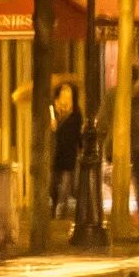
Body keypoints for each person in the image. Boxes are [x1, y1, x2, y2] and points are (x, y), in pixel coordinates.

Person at [49, 83, 82, 221]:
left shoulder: (75, 115)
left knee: (65, 188)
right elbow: (52, 134)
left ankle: (59, 215)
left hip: (69, 156)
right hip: (56, 156)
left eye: (68, 94)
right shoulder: (55, 113)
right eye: (63, 93)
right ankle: (55, 210)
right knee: (53, 187)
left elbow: (75, 135)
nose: (65, 98)